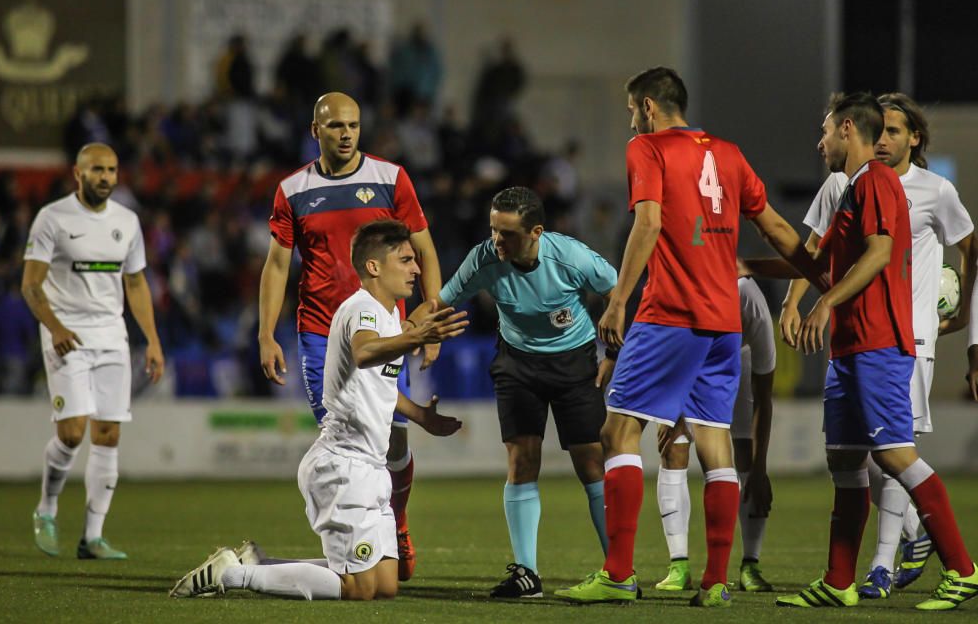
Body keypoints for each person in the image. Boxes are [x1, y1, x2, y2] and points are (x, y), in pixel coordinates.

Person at [556, 66, 823, 607]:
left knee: (618, 432)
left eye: (633, 111)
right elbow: (774, 226)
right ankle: (716, 581)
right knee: (715, 443)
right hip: (723, 320)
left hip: (671, 313)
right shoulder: (728, 152)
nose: (632, 122)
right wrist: (823, 278)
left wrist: (618, 298)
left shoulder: (648, 149)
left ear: (650, 107)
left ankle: (618, 573)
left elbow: (648, 223)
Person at [171, 220, 467, 600]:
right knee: (359, 590)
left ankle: (258, 564)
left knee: (386, 585)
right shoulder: (362, 308)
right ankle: (231, 577)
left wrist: (422, 415)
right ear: (374, 267)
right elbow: (364, 353)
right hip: (343, 467)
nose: (416, 268)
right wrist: (415, 335)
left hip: (371, 468)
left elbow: (381, 385)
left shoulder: (389, 315)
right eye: (406, 260)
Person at [760, 92, 975, 598]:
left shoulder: (876, 183)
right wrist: (744, 268)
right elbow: (816, 261)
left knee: (896, 456)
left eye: (826, 132)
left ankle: (962, 570)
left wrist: (824, 304)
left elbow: (878, 254)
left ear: (849, 131)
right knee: (844, 462)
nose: (820, 143)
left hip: (879, 343)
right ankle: (839, 582)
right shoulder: (850, 189)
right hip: (849, 348)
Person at [258, 92, 442, 581]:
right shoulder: (293, 188)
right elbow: (277, 264)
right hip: (322, 334)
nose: (346, 133)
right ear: (315, 130)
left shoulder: (390, 178)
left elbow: (422, 246)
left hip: (385, 330)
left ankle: (393, 527)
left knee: (393, 441)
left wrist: (430, 317)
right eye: (336, 125)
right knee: (352, 436)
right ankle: (354, 547)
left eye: (354, 125)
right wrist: (266, 333)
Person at [434, 186, 616, 598]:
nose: (497, 241)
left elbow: (619, 294)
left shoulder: (571, 256)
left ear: (536, 232)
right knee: (521, 460)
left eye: (508, 234)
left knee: (591, 464)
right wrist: (412, 331)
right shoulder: (483, 258)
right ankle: (527, 575)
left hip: (575, 362)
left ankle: (618, 569)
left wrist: (614, 354)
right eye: (494, 230)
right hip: (517, 362)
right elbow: (441, 302)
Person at [23, 143, 164, 559]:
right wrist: (55, 326)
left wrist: (152, 339)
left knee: (109, 434)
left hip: (111, 336)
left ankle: (93, 537)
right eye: (97, 170)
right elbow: (31, 284)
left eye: (112, 170)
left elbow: (136, 284)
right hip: (66, 333)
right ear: (77, 174)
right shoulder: (53, 218)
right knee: (71, 432)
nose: (105, 177)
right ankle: (46, 509)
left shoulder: (128, 222)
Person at [649, 273, 777, 593]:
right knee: (672, 443)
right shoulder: (679, 280)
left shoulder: (748, 297)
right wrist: (672, 407)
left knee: (744, 454)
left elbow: (764, 397)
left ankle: (751, 563)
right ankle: (678, 564)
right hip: (686, 359)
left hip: (737, 359)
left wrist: (760, 469)